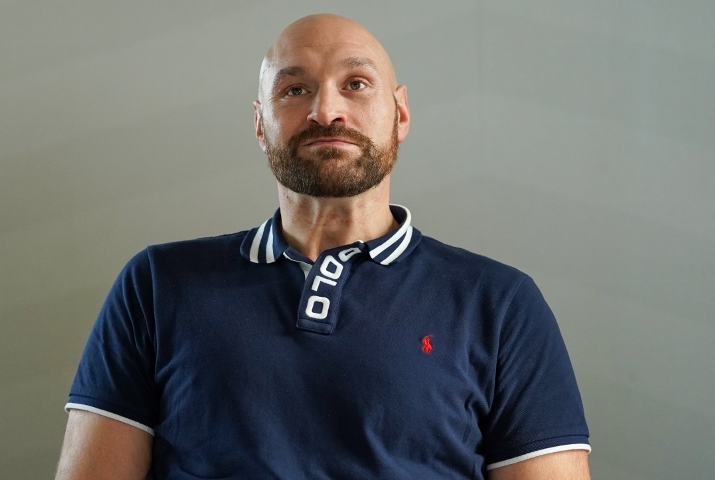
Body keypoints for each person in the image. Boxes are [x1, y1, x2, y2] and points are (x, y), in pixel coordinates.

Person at [56, 13, 590, 480]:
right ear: (260, 123)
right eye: (294, 90)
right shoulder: (156, 284)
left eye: (356, 84)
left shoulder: (500, 303)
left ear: (400, 114)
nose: (326, 111)